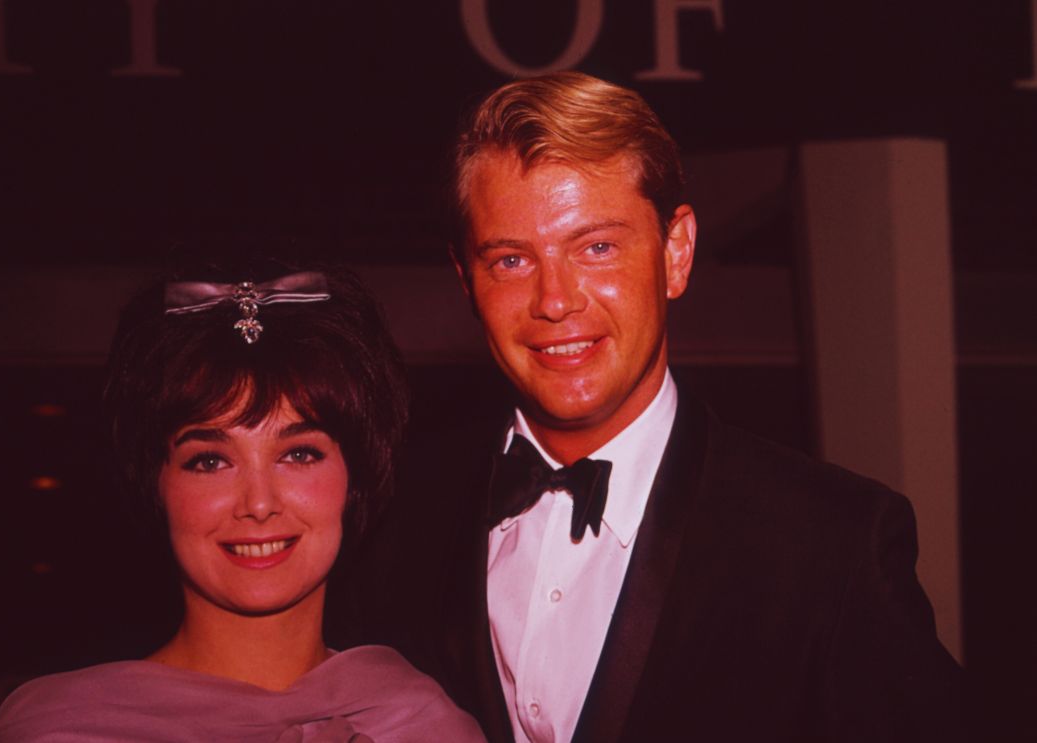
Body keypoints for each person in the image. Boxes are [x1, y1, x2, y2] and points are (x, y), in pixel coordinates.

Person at [335, 71, 964, 742]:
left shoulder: (832, 546)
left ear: (675, 252)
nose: (555, 299)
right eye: (511, 260)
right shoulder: (394, 519)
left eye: (596, 247)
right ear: (466, 280)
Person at [0, 260, 484, 742]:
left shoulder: (425, 725)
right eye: (210, 462)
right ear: (155, 483)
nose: (259, 503)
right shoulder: (65, 730)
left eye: (299, 453)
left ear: (356, 475)